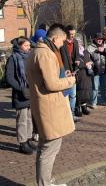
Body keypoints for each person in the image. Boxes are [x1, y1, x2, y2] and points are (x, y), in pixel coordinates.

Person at [26, 23, 76, 186]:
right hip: (50, 108)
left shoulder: (37, 51)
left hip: (45, 106)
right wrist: (70, 80)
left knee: (45, 148)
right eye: (62, 40)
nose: (63, 44)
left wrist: (62, 76)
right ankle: (45, 184)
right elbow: (52, 84)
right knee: (49, 150)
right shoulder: (45, 54)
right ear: (55, 38)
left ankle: (45, 181)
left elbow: (48, 79)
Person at [5, 37, 35, 154]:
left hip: (30, 93)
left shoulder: (28, 57)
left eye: (29, 45)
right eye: (26, 46)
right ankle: (22, 143)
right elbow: (9, 77)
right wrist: (21, 88)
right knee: (22, 120)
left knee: (29, 118)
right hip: (20, 94)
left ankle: (28, 139)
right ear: (19, 46)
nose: (29, 48)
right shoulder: (13, 58)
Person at [60, 25, 80, 121]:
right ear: (67, 33)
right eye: (71, 34)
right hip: (65, 71)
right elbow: (61, 58)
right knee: (66, 95)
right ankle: (65, 115)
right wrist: (65, 70)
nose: (72, 36)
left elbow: (77, 55)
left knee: (73, 95)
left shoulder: (75, 42)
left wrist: (77, 60)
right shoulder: (62, 43)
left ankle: (71, 114)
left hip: (74, 71)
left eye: (74, 34)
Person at [87, 33, 106, 108]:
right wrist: (96, 51)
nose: (100, 40)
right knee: (95, 87)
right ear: (95, 39)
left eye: (101, 39)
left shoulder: (105, 45)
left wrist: (104, 50)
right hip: (95, 71)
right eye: (98, 39)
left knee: (103, 87)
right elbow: (88, 59)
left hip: (104, 70)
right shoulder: (90, 47)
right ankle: (93, 103)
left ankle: (104, 101)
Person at [75, 37, 93, 115]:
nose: (79, 44)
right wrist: (85, 65)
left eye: (80, 42)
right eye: (77, 42)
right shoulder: (75, 52)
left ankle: (84, 106)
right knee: (79, 91)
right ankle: (77, 108)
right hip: (79, 73)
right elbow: (75, 64)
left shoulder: (85, 51)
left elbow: (89, 60)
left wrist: (91, 64)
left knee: (86, 90)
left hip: (87, 74)